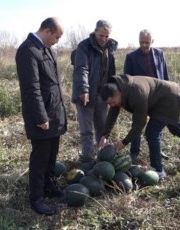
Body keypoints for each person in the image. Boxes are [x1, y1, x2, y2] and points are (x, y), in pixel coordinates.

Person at [98, 75, 180, 179]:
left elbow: (139, 123)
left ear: (119, 94)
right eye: (109, 104)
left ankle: (157, 169)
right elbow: (113, 114)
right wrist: (105, 135)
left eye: (113, 102)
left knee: (151, 132)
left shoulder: (136, 92)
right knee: (175, 127)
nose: (112, 105)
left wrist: (124, 142)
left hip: (169, 98)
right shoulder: (118, 89)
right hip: (160, 99)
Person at [15, 17, 67, 216]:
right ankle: (36, 199)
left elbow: (53, 85)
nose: (57, 41)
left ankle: (49, 187)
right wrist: (40, 117)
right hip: (42, 117)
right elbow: (31, 88)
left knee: (52, 155)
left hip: (54, 113)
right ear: (47, 31)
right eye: (57, 36)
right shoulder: (27, 51)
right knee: (40, 158)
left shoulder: (48, 50)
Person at [71, 20, 118, 163]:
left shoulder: (110, 48)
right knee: (87, 131)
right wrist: (83, 89)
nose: (103, 39)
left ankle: (103, 158)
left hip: (102, 95)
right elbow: (81, 68)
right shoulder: (84, 47)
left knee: (102, 129)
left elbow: (111, 73)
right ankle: (88, 159)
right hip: (85, 94)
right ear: (95, 32)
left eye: (106, 36)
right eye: (101, 35)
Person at [123, 29, 169, 163]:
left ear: (152, 41)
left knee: (157, 124)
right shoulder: (131, 57)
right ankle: (134, 152)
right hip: (140, 97)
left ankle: (157, 149)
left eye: (147, 42)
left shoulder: (160, 54)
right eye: (141, 42)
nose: (144, 45)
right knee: (138, 124)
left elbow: (165, 75)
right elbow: (128, 80)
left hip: (158, 95)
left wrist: (167, 92)